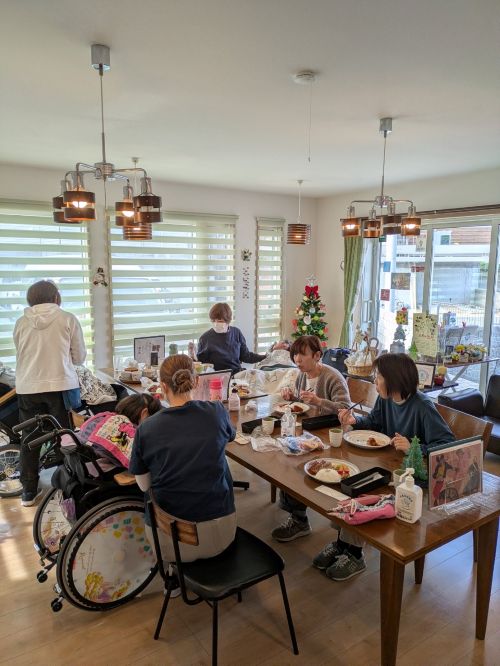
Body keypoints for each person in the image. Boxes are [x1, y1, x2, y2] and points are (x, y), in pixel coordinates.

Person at [314, 353, 454, 582]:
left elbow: (447, 444)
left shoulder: (423, 406)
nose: (374, 381)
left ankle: (354, 553)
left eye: (378, 376)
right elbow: (373, 423)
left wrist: (414, 447)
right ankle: (342, 544)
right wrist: (355, 421)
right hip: (385, 466)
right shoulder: (385, 399)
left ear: (394, 379)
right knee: (348, 482)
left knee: (361, 492)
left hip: (411, 478)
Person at [129, 354, 237, 565]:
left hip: (169, 541)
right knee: (221, 463)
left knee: (152, 490)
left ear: (162, 386)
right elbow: (230, 436)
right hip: (221, 534)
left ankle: (174, 572)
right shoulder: (216, 412)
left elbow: (144, 485)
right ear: (196, 381)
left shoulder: (147, 428)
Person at [14, 280, 87, 506]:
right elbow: (79, 357)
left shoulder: (20, 322)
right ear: (56, 297)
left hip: (28, 387)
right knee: (64, 436)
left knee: (29, 438)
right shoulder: (67, 319)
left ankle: (28, 492)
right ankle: (69, 488)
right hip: (60, 385)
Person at [272, 335, 350, 543]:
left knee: (295, 465)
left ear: (317, 355)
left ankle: (303, 521)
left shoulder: (332, 377)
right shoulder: (302, 375)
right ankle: (298, 517)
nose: (297, 359)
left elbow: (346, 408)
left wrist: (319, 401)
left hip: (331, 435)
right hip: (309, 432)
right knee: (286, 461)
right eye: (294, 355)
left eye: (302, 355)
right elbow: (303, 403)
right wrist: (292, 398)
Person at [76, 393, 162, 468]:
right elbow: (138, 462)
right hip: (97, 469)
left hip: (79, 463)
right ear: (144, 413)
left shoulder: (105, 416)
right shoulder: (128, 431)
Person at [189, 302, 266, 373]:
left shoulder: (236, 333)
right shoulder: (205, 338)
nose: (216, 324)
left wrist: (264, 357)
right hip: (217, 376)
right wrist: (193, 358)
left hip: (237, 374)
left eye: (220, 321)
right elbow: (201, 365)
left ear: (228, 320)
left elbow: (246, 356)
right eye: (213, 321)